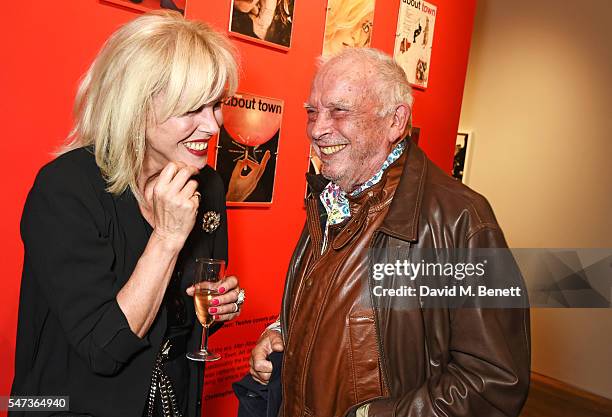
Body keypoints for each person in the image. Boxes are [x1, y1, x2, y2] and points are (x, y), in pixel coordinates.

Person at [249, 48, 530, 417]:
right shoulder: (330, 198)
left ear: (396, 121)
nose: (317, 130)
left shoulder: (459, 220)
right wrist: (284, 331)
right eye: (312, 112)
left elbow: (493, 381)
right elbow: (343, 311)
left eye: (339, 111)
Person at [11, 11, 246, 417]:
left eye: (216, 105)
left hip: (170, 398)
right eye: (193, 109)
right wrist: (167, 239)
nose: (213, 125)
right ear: (136, 106)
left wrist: (219, 308)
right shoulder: (65, 190)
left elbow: (182, 316)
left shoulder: (207, 186)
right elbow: (105, 347)